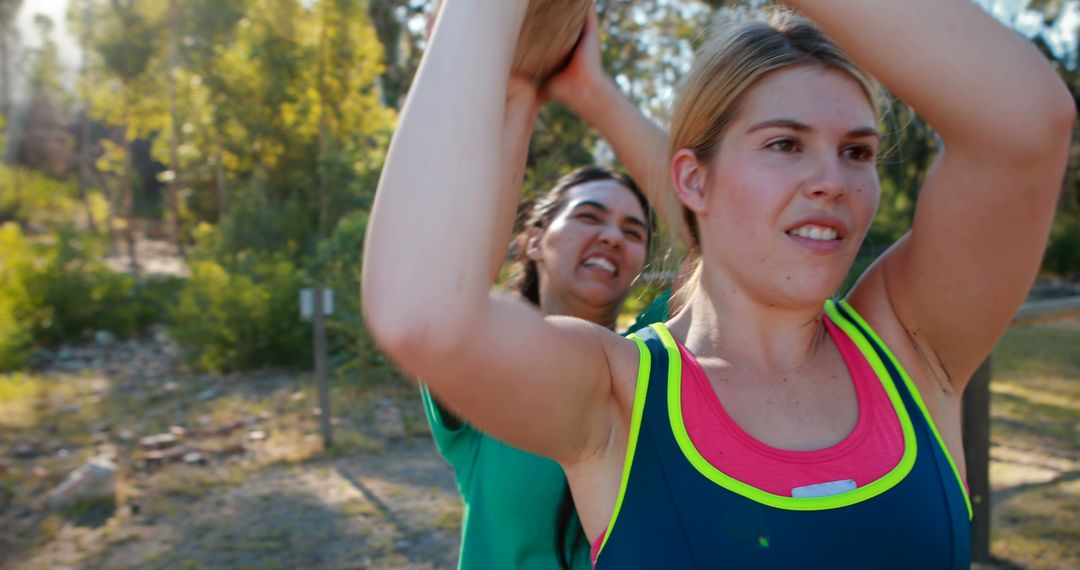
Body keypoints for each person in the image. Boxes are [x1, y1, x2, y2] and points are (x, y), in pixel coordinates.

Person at [364, 0, 1073, 567]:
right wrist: (491, 31)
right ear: (692, 179)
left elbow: (1026, 124)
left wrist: (581, 85)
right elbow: (426, 316)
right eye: (784, 144)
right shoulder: (615, 391)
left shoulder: (911, 348)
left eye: (856, 151)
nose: (833, 181)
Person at [421, 165, 655, 570]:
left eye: (633, 231)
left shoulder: (660, 358)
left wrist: (596, 100)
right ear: (532, 241)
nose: (613, 237)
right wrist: (520, 106)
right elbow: (445, 283)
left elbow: (717, 233)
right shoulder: (488, 364)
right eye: (589, 216)